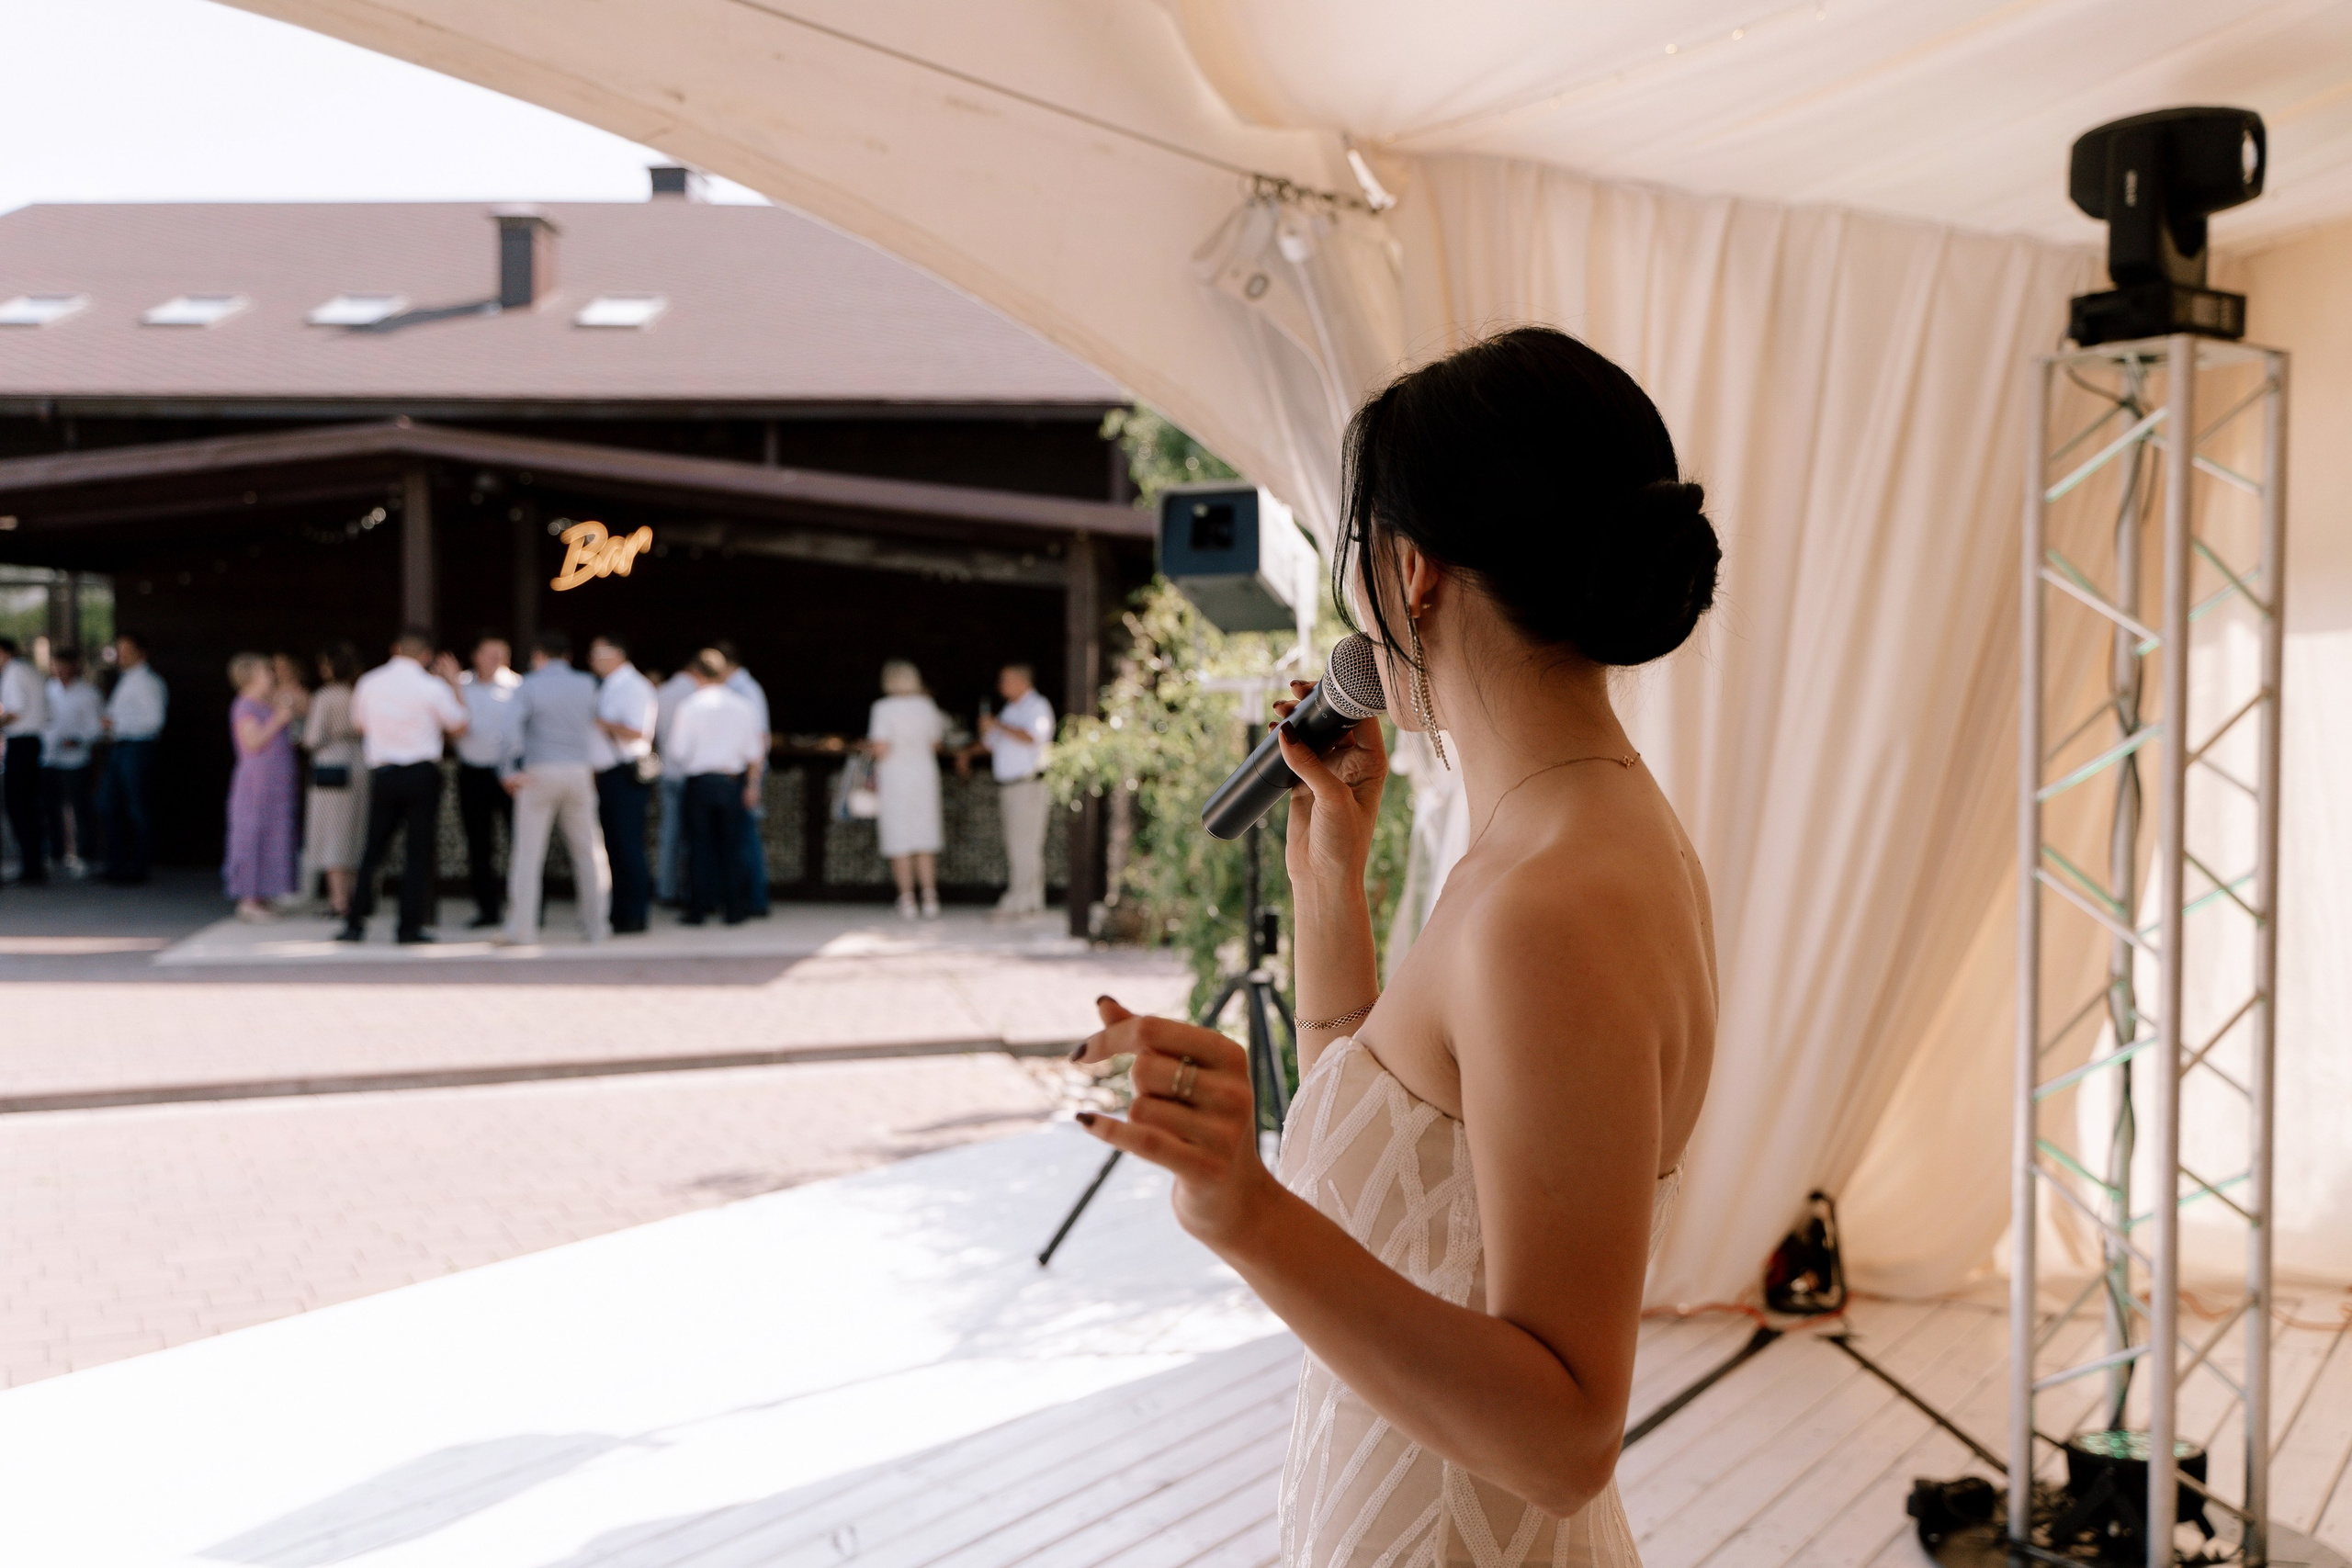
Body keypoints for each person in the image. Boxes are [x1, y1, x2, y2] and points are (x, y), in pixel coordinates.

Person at [1067, 328, 1722, 1568]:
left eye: (1352, 553)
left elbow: (1564, 1434)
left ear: (1413, 571)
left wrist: (1240, 1207)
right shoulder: (1571, 832)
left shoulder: (1549, 905)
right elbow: (1405, 1190)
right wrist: (1333, 888)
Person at [339, 628, 469, 945]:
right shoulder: (432, 686)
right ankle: (408, 927)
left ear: (395, 648)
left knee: (373, 851)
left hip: (383, 773)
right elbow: (460, 725)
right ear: (426, 655)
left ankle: (355, 922)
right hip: (421, 773)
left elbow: (358, 724)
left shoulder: (369, 682)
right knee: (417, 853)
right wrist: (454, 684)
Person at [499, 628, 610, 945]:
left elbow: (510, 731)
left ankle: (523, 929)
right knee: (589, 853)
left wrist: (509, 769)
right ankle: (596, 926)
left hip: (539, 771)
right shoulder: (589, 684)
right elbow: (599, 728)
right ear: (568, 657)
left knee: (528, 855)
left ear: (539, 656)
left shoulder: (528, 685)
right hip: (579, 771)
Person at [666, 649, 764, 926]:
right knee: (731, 847)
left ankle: (698, 909)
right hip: (732, 782)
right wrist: (753, 786)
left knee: (699, 847)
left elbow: (677, 750)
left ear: (696, 673)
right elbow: (754, 753)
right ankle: (734, 909)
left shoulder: (690, 706)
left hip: (701, 782)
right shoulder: (743, 706)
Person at [957, 662, 1054, 918]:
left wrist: (998, 725)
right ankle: (1030, 900)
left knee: (1026, 845)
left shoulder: (1037, 706)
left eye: (1006, 680)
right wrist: (967, 751)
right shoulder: (1010, 710)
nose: (1001, 686)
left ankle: (1020, 900)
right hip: (1009, 786)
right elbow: (992, 744)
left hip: (1028, 784)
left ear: (1022, 680)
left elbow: (1034, 737)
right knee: (1017, 845)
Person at [221, 651, 300, 921]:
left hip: (274, 783)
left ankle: (263, 895)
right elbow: (253, 742)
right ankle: (248, 899)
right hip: (257, 783)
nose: (272, 676)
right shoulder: (245, 706)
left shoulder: (266, 703)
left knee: (273, 835)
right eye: (267, 672)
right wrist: (278, 720)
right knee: (253, 835)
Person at [865, 659, 946, 919]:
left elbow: (880, 748)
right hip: (924, 775)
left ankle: (908, 899)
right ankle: (931, 898)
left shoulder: (883, 708)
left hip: (895, 776)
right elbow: (936, 744)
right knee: (924, 836)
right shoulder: (927, 707)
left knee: (899, 837)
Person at [588, 634, 659, 934]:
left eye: (598, 653)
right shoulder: (608, 686)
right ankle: (620, 913)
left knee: (628, 846)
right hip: (607, 774)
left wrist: (602, 723)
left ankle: (634, 914)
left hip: (625, 773)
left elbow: (638, 732)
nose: (592, 659)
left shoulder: (634, 686)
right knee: (615, 846)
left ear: (616, 654)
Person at [455, 633, 521, 929]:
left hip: (510, 773)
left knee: (520, 842)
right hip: (473, 772)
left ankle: (526, 907)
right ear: (476, 655)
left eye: (501, 654)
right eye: (489, 653)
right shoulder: (461, 686)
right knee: (479, 846)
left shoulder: (519, 686)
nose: (495, 660)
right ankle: (488, 909)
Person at [301, 643, 367, 919]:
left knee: (331, 832)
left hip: (331, 765)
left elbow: (311, 738)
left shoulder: (326, 696)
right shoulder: (360, 693)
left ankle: (338, 901)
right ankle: (352, 898)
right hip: (360, 765)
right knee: (354, 829)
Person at [97, 632, 167, 885]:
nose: (121, 655)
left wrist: (116, 722)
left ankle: (139, 867)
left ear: (141, 652)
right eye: (119, 650)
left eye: (126, 650)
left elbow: (154, 721)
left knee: (137, 809)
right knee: (109, 805)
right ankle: (116, 864)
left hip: (137, 747)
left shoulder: (148, 682)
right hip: (120, 748)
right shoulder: (127, 680)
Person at [715, 641, 772, 917]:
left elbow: (758, 740)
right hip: (738, 774)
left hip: (746, 773)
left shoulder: (747, 691)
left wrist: (753, 782)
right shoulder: (732, 690)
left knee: (746, 838)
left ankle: (756, 900)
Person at [40, 648, 102, 878]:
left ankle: (84, 855)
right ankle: (55, 854)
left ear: (74, 666)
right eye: (55, 666)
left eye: (63, 665)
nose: (59, 670)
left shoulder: (89, 693)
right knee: (49, 809)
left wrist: (78, 740)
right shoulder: (48, 690)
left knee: (80, 809)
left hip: (76, 759)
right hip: (48, 758)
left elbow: (97, 726)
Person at [0, 637, 47, 886]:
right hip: (29, 743)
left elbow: (15, 711)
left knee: (19, 805)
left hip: (22, 743)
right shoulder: (25, 670)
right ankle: (32, 865)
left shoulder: (15, 672)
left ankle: (32, 867)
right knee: (26, 806)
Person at [651, 660, 698, 906]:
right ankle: (690, 890)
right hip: (691, 773)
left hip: (667, 770)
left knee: (669, 833)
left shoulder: (661, 693)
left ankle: (666, 889)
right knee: (695, 836)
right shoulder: (698, 695)